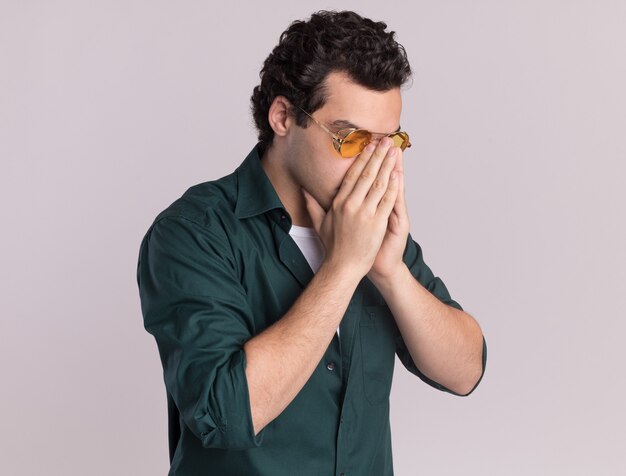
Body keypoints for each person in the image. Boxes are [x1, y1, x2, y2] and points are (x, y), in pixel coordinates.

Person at [136, 10, 487, 476]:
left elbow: (466, 371)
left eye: (389, 140)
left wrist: (390, 272)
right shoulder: (195, 231)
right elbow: (225, 415)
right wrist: (343, 267)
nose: (374, 163)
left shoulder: (373, 228)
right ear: (283, 117)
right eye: (352, 137)